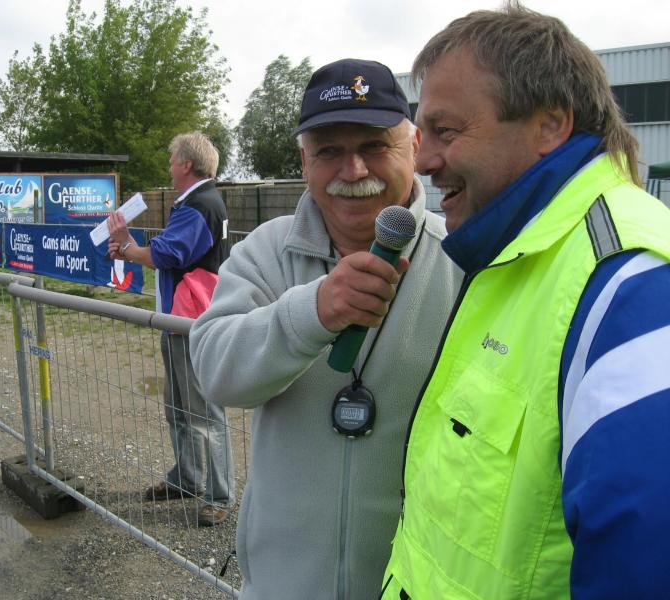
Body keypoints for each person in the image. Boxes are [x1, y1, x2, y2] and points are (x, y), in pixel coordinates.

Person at [380, 4, 670, 599]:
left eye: (445, 131)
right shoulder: (515, 251)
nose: (424, 161)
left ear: (549, 126)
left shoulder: (632, 283)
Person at [189, 59, 461, 599]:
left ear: (414, 145)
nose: (353, 171)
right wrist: (311, 312)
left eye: (374, 146)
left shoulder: (463, 259)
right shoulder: (266, 250)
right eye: (329, 151)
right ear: (304, 161)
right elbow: (216, 373)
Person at [107, 131, 235, 526]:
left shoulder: (199, 204)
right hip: (182, 319)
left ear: (186, 164)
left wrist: (126, 246)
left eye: (171, 159)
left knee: (202, 410)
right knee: (179, 406)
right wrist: (129, 247)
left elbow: (167, 253)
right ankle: (187, 478)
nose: (168, 166)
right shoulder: (200, 202)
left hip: (191, 320)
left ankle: (218, 494)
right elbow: (170, 250)